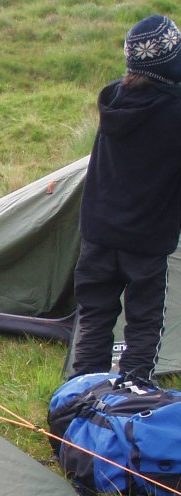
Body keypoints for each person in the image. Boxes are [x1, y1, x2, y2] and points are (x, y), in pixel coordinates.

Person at [72, 14, 181, 382]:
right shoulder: (174, 112)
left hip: (98, 234)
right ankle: (130, 399)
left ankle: (81, 401)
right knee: (143, 325)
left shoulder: (114, 99)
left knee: (94, 320)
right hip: (145, 242)